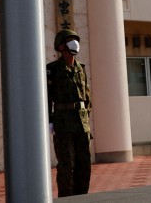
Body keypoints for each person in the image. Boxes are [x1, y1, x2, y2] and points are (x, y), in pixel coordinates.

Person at [46, 29, 93, 197]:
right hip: (63, 122)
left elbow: (87, 95)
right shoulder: (52, 69)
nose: (75, 43)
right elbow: (47, 98)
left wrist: (87, 116)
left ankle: (82, 196)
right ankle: (66, 198)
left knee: (84, 163)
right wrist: (50, 121)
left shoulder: (81, 68)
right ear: (60, 46)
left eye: (75, 39)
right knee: (66, 164)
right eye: (70, 40)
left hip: (81, 121)